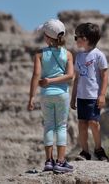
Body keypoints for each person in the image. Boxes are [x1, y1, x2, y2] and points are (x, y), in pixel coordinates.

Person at [27, 19, 74, 173]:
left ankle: (48, 161)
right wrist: (54, 80)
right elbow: (70, 76)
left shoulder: (40, 54)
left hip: (46, 94)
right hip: (62, 94)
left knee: (48, 125)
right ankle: (61, 162)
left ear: (47, 37)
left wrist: (32, 97)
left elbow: (35, 76)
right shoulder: (67, 54)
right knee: (61, 126)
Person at [70, 22, 109, 161]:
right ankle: (85, 152)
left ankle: (99, 149)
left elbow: (105, 76)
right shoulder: (79, 57)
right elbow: (77, 78)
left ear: (85, 38)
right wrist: (73, 96)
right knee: (82, 124)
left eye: (77, 37)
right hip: (81, 97)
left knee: (94, 123)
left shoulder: (99, 55)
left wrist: (102, 94)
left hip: (94, 96)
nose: (76, 40)